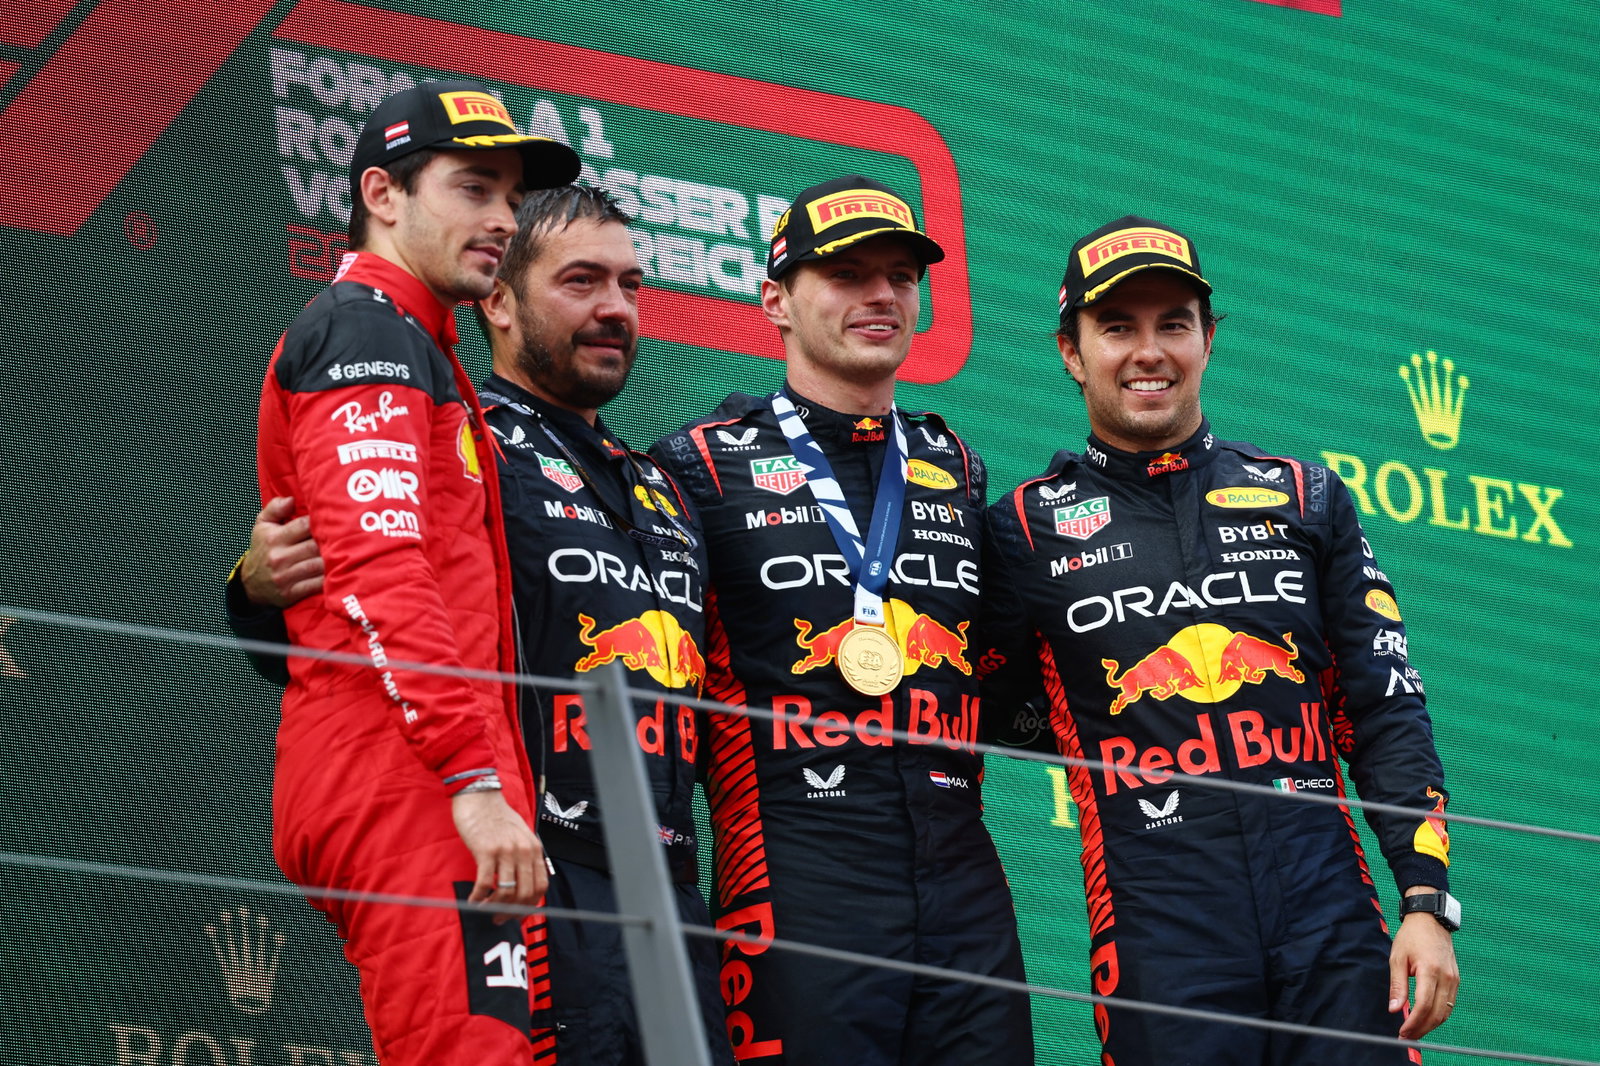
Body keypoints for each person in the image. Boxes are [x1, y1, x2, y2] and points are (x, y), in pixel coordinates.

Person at [230, 185, 734, 1066]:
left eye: (630, 284)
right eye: (581, 282)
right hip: (534, 863)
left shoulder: (662, 485)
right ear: (496, 298)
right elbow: (366, 599)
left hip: (669, 889)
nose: (615, 308)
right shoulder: (462, 441)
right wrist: (254, 591)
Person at [979, 215, 1460, 1063]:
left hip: (1331, 917)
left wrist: (1425, 903)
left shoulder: (1306, 496)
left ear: (1209, 338)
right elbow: (985, 709)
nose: (1149, 352)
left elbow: (1384, 709)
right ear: (1070, 350)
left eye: (1174, 324)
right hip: (1157, 925)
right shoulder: (1023, 529)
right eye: (1117, 328)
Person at [649, 175, 1035, 1065]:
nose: (882, 296)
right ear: (775, 300)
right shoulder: (698, 463)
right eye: (849, 275)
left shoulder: (954, 465)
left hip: (961, 878)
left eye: (902, 275)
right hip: (794, 868)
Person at [248, 78, 579, 1065]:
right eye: (473, 189)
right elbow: (380, 572)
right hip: (407, 773)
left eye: (512, 201)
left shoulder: (415, 341)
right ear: (382, 195)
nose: (502, 222)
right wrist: (473, 781)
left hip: (423, 764)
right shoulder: (364, 334)